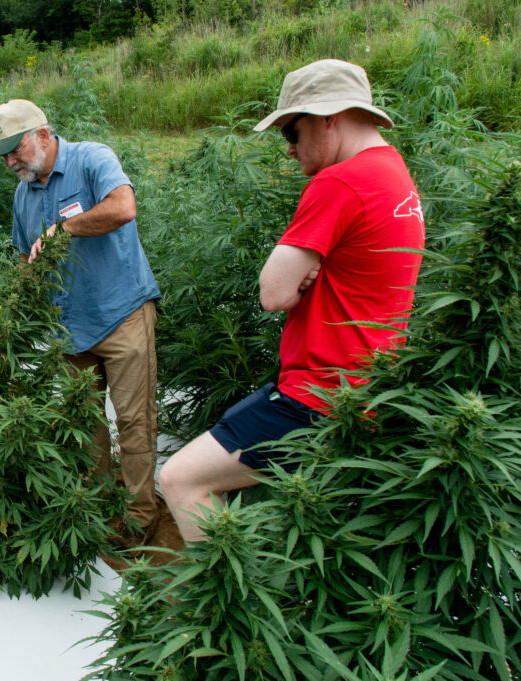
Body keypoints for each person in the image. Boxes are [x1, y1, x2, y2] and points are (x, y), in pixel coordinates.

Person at [159, 59, 426, 545]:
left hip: (320, 391)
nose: (288, 147)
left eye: (292, 130)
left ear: (328, 118)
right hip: (373, 384)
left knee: (181, 479)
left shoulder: (339, 182)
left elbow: (273, 292)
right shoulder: (394, 175)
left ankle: (226, 609)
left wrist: (301, 272)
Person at [0, 99, 162, 549]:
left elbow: (123, 207)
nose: (10, 162)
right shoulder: (24, 195)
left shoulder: (91, 158)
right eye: (3, 155)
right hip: (68, 328)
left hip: (121, 314)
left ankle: (140, 516)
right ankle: (98, 508)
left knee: (133, 421)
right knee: (84, 424)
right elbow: (29, 260)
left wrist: (65, 229)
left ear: (42, 135)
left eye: (15, 150)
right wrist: (11, 313)